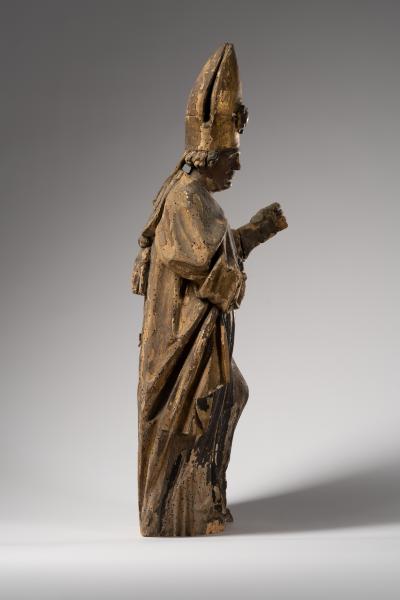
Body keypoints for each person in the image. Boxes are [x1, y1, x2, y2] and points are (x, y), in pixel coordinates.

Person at [132, 43, 287, 536]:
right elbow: (205, 266)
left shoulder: (192, 194)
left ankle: (202, 500)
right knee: (219, 398)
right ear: (210, 156)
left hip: (192, 339)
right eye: (232, 159)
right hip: (180, 347)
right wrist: (236, 277)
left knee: (229, 396)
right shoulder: (185, 199)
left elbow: (212, 253)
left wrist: (256, 231)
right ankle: (179, 509)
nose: (236, 169)